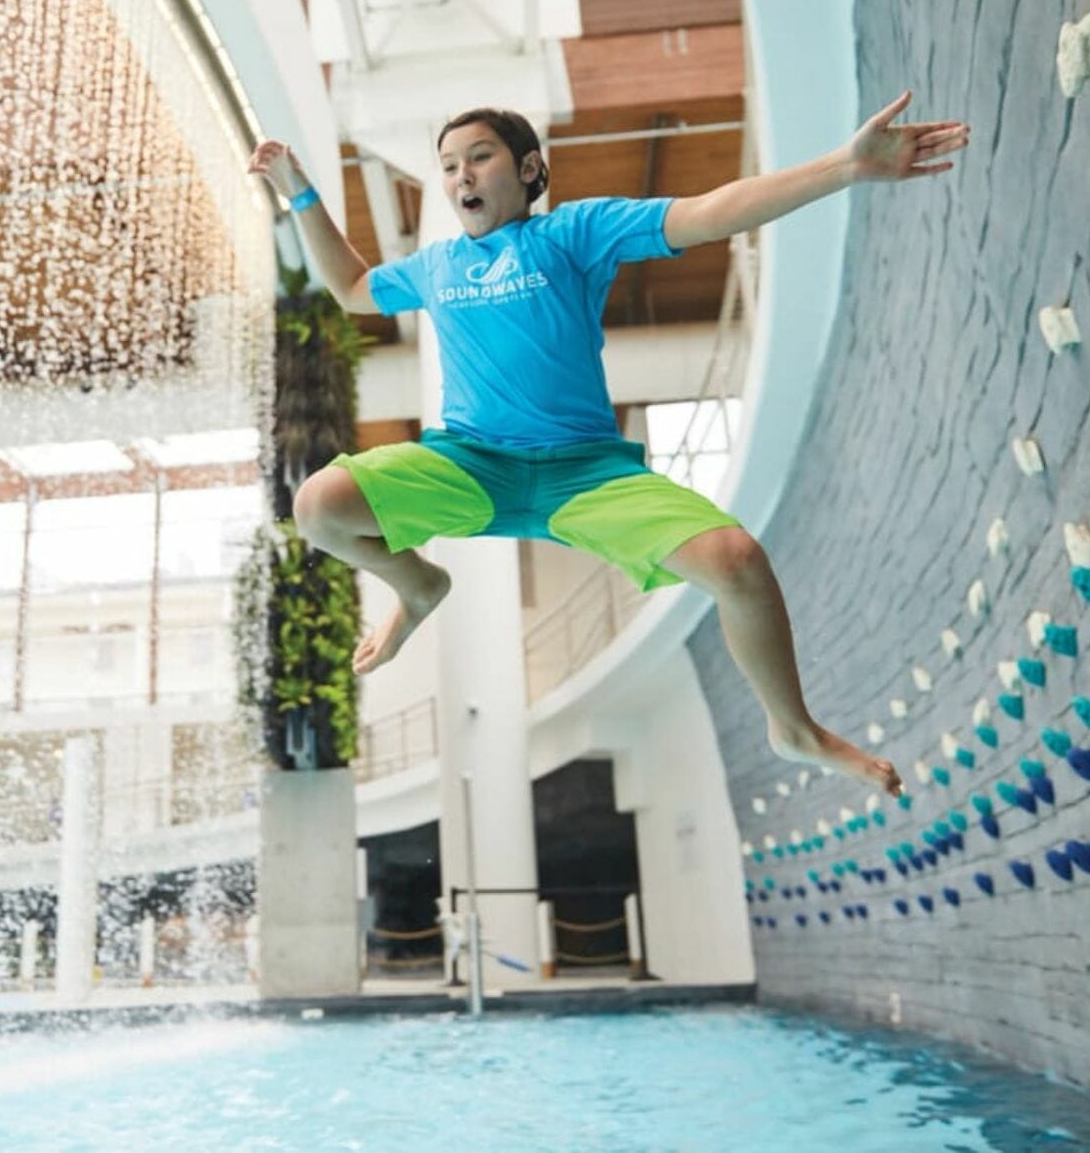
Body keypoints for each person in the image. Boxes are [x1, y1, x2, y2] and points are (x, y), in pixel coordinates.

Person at [250, 92, 970, 795]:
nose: (461, 175)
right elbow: (352, 287)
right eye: (448, 166)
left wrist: (844, 167)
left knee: (737, 561)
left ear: (528, 169)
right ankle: (418, 586)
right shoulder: (435, 267)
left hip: (586, 475)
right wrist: (300, 193)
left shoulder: (574, 233)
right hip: (471, 462)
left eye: (480, 156)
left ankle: (794, 730)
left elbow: (708, 213)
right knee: (318, 506)